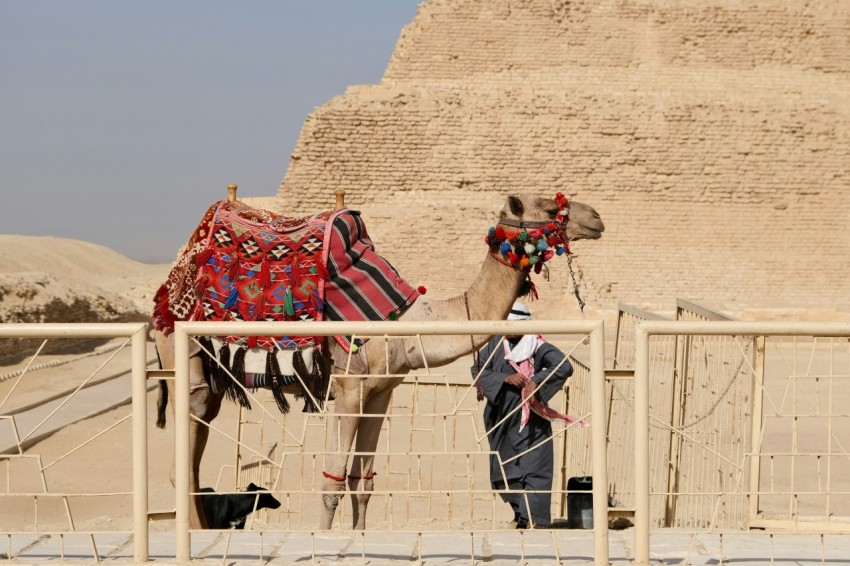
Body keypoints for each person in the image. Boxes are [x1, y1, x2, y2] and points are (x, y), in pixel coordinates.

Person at [472, 301, 573, 529]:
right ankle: (520, 514)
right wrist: (504, 379)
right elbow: (478, 368)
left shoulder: (538, 346)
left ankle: (533, 520)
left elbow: (563, 366)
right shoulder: (497, 343)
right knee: (504, 469)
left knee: (535, 468)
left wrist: (536, 381)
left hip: (531, 420)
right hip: (501, 418)